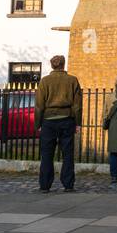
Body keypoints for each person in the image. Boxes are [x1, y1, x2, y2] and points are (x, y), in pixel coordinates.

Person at [34, 54, 82, 193]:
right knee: (67, 154)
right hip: (67, 119)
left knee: (47, 154)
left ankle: (45, 185)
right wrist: (78, 123)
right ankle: (68, 184)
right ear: (63, 64)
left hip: (48, 121)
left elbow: (39, 105)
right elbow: (77, 105)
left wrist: (38, 124)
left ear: (52, 65)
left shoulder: (45, 81)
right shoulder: (72, 80)